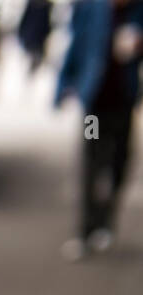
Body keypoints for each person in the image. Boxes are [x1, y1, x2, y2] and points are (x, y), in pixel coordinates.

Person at [55, 0, 143, 259]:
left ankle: (105, 222)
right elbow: (76, 44)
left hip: (123, 102)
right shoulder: (90, 7)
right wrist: (64, 86)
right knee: (91, 164)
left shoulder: (137, 11)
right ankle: (86, 231)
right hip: (94, 103)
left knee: (119, 163)